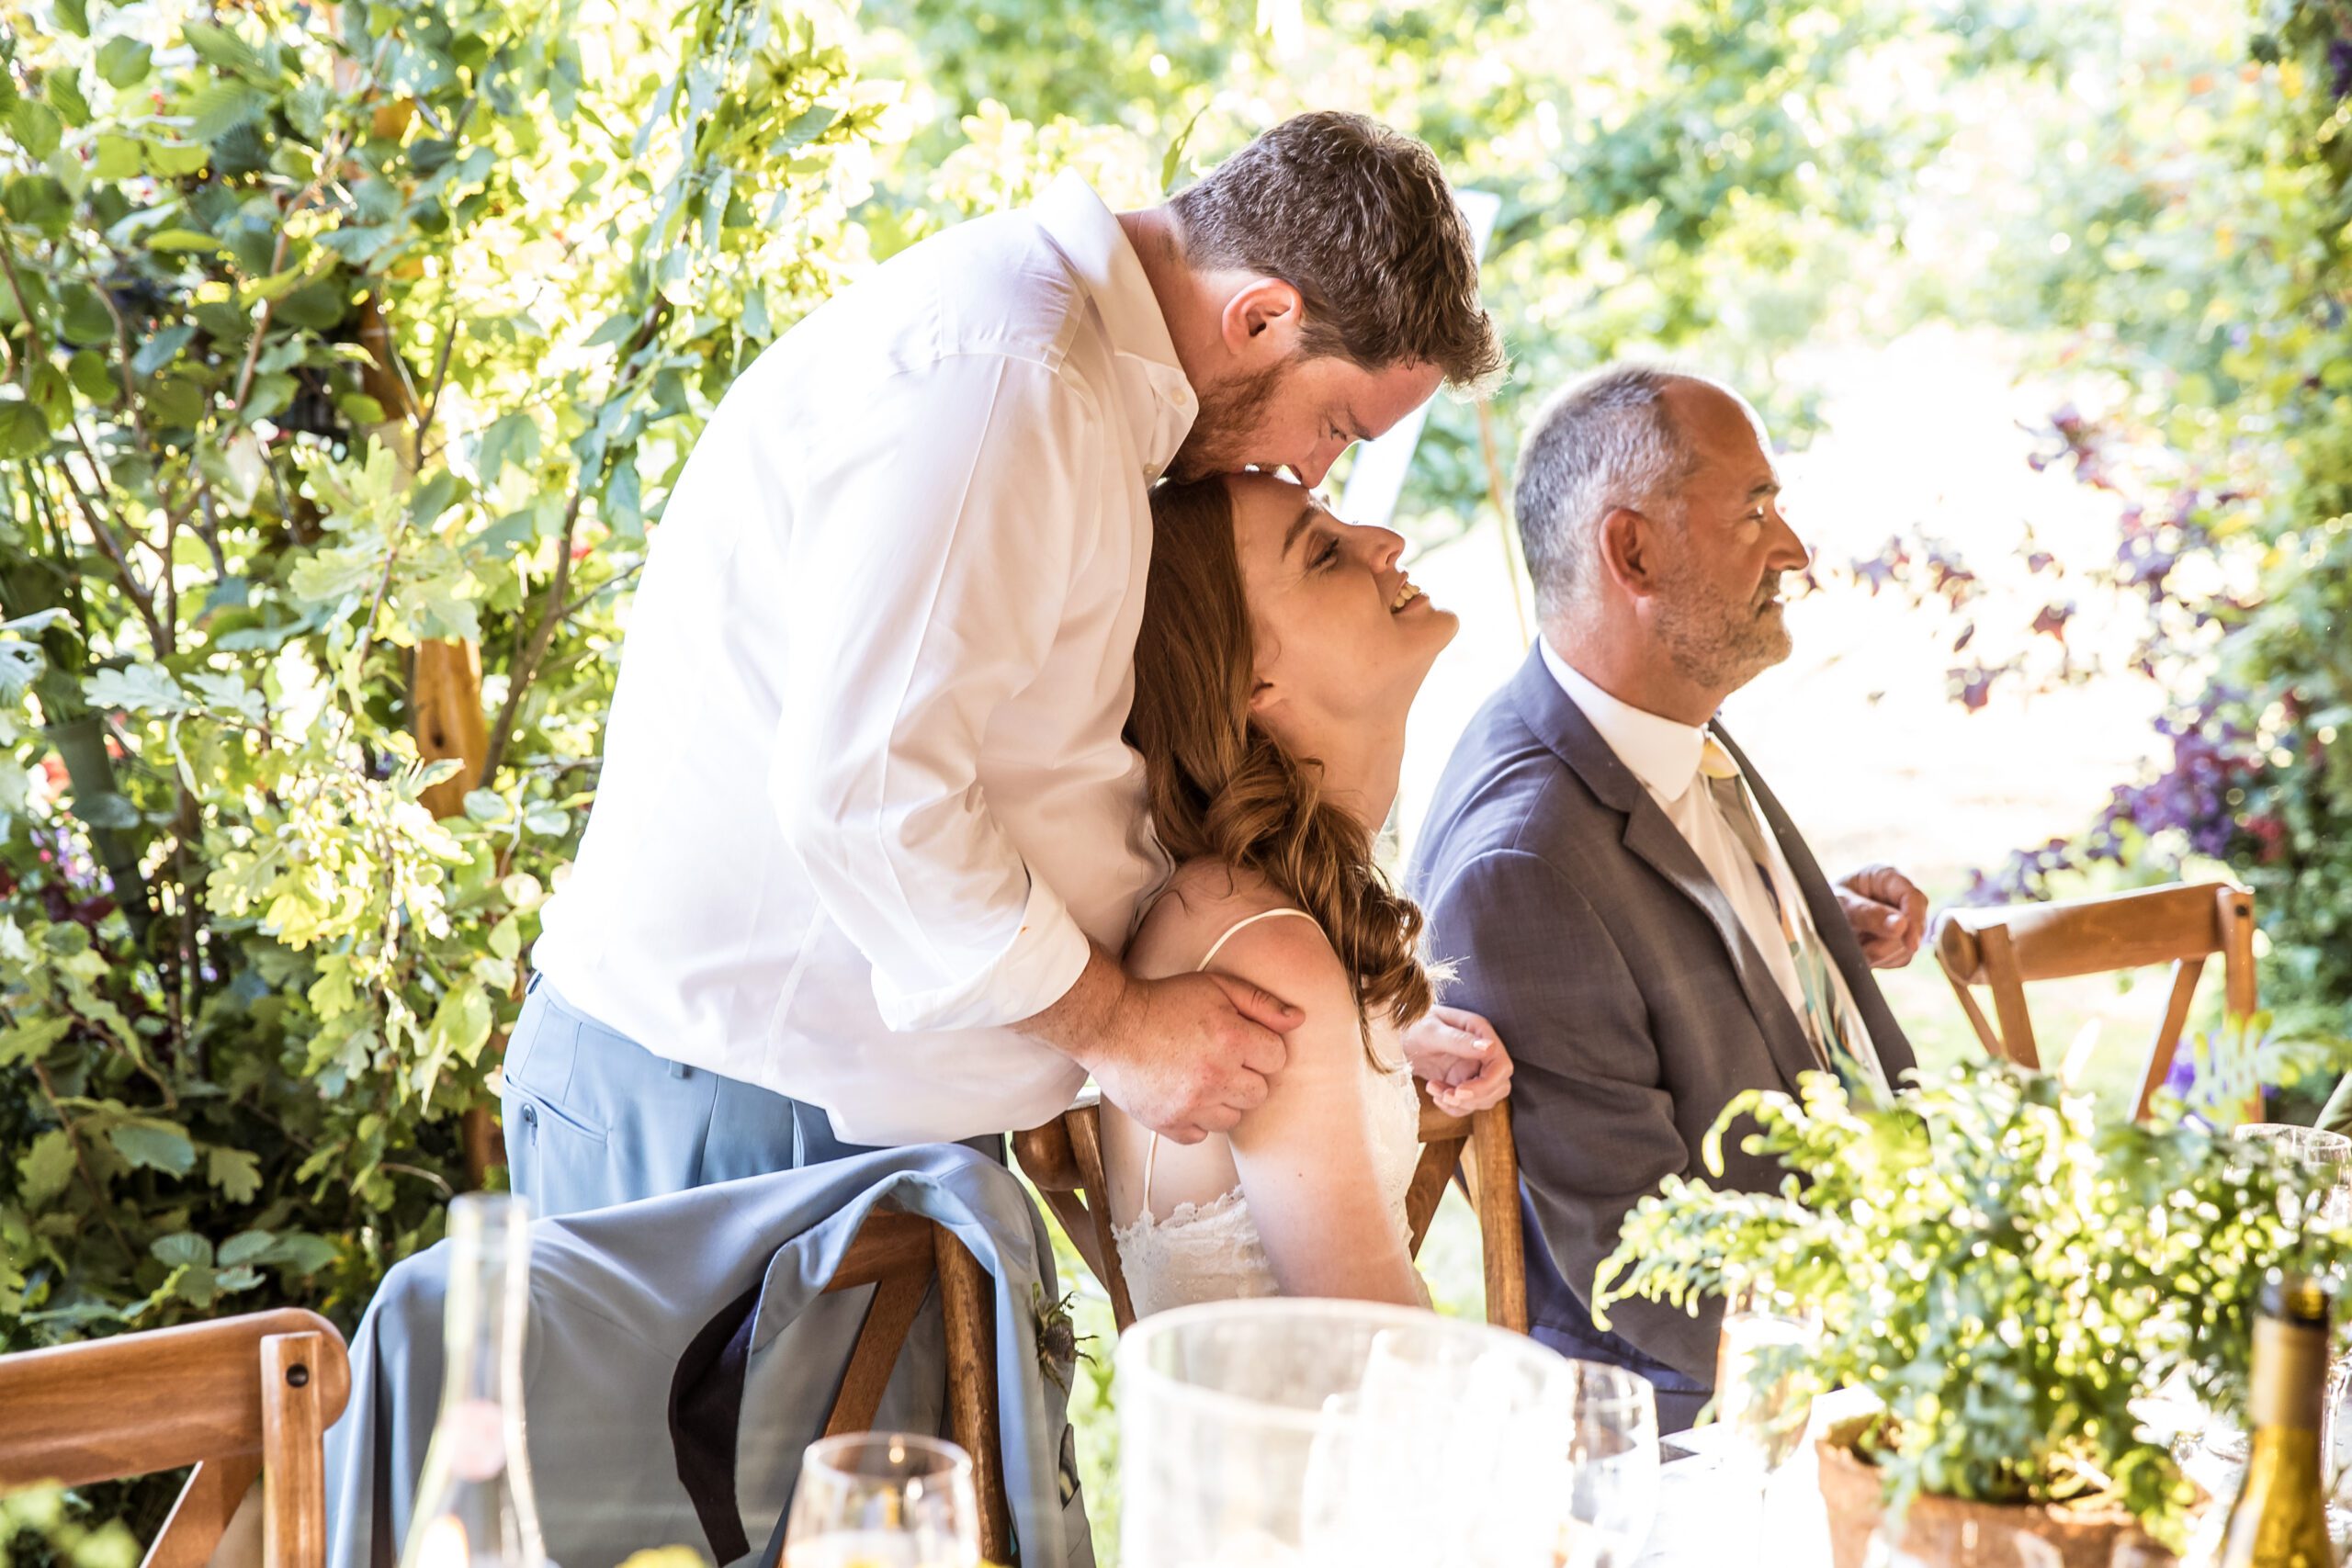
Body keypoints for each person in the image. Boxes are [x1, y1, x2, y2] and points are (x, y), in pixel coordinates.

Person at [508, 112, 1510, 1218]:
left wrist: (1338, 1039)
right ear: (1263, 314)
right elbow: (871, 796)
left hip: (842, 1116)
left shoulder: (1082, 394)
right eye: (1336, 426)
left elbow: (1051, 787)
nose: (1309, 470)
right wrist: (1120, 1027)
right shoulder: (1004, 381)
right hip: (734, 1107)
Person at [1410, 364, 1926, 1427]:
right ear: (1632, 550)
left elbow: (1654, 944)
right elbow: (1650, 1274)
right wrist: (1923, 1345)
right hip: (1726, 1432)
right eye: (1754, 511)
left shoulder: (1655, 721)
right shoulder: (1523, 869)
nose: (1791, 549)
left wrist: (1797, 924)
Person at [1098, 471, 1505, 1315]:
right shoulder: (1261, 946)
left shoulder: (1255, 913)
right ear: (1251, 686)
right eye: (1324, 552)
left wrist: (1390, 1034)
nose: (1383, 542)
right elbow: (1374, 1339)